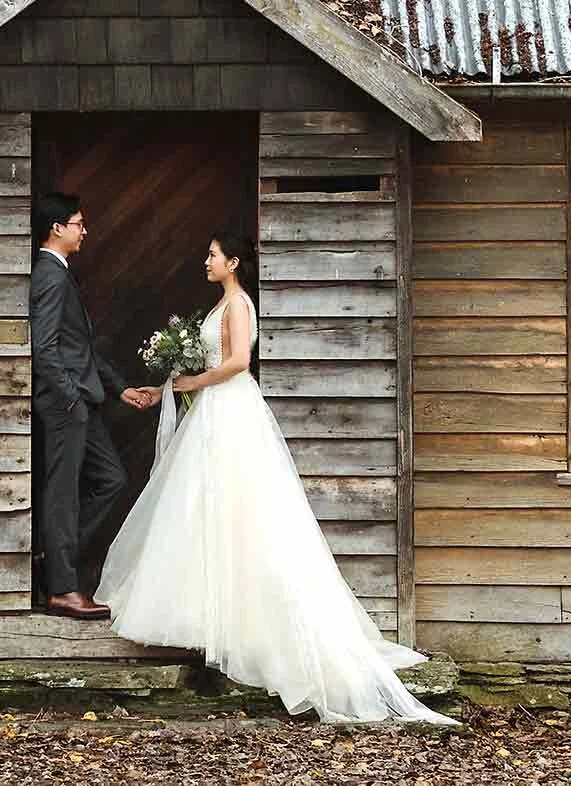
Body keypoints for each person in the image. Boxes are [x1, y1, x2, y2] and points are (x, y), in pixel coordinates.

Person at [96, 230, 454, 724]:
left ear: (234, 262)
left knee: (237, 506)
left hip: (231, 409)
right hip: (214, 409)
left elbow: (240, 362)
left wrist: (191, 381)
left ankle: (239, 621)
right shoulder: (225, 304)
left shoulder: (239, 304)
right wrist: (170, 384)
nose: (206, 260)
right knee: (202, 505)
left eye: (212, 254)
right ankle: (208, 615)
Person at [29, 191, 158, 620]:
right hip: (68, 406)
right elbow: (45, 349)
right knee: (62, 496)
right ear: (57, 228)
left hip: (84, 402)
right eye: (79, 223)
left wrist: (119, 389)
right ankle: (63, 589)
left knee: (111, 479)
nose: (85, 231)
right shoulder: (50, 275)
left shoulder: (61, 274)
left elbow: (79, 349)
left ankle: (53, 560)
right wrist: (70, 400)